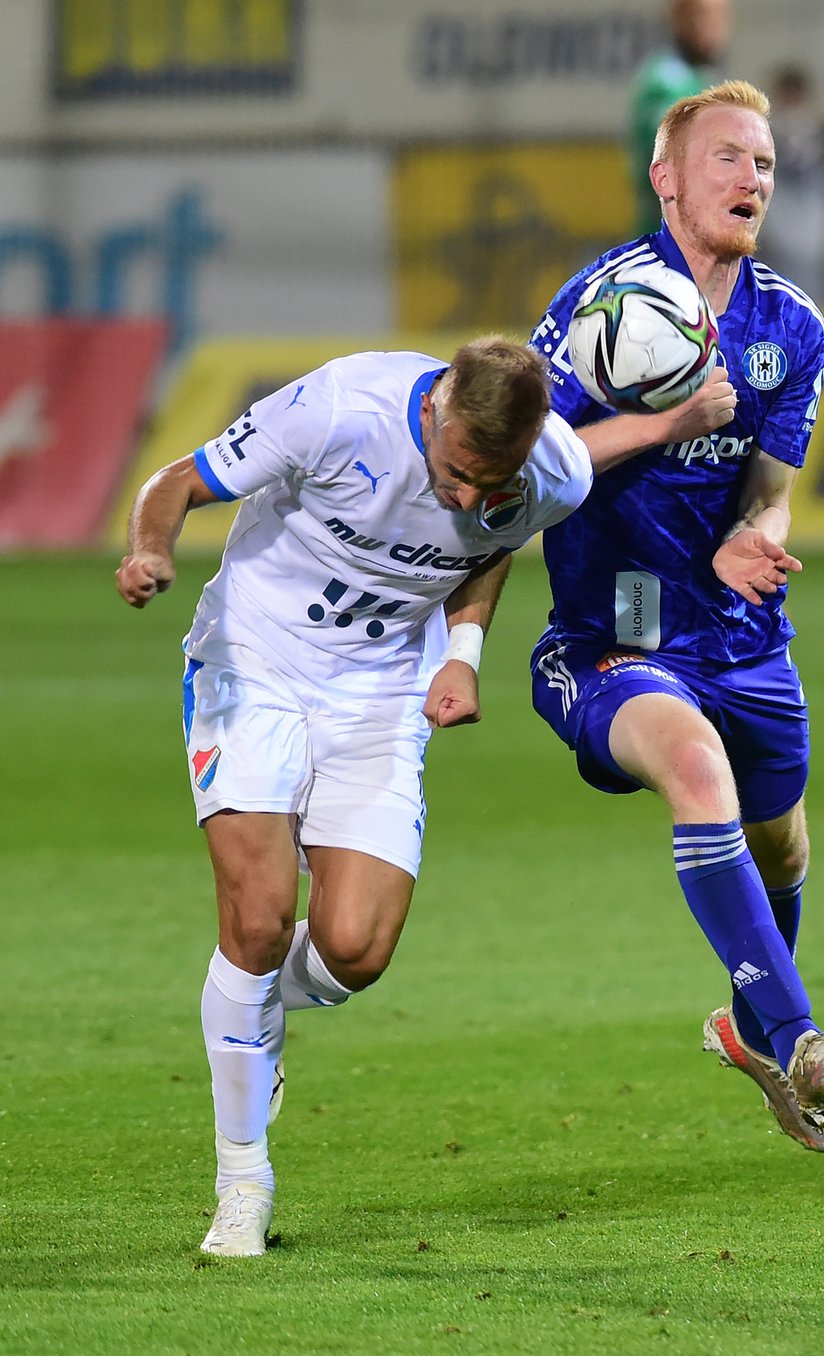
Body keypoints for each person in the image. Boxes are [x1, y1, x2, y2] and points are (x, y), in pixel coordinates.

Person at [115, 336, 721, 1257]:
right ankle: (244, 1182)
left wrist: (461, 655)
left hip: (381, 694)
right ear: (436, 409)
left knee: (355, 949)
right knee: (260, 915)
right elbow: (177, 480)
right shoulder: (340, 407)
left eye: (497, 479)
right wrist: (150, 552)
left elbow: (495, 540)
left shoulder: (542, 471)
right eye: (461, 473)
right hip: (254, 661)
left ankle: (249, 1013)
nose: (473, 497)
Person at [530, 81, 824, 1153]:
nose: (752, 179)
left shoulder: (790, 326)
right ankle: (799, 1033)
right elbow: (526, 471)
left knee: (781, 845)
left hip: (741, 636)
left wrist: (754, 529)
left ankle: (750, 1028)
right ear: (667, 177)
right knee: (696, 772)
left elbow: (773, 484)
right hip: (614, 639)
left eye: (766, 164)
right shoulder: (597, 314)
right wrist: (670, 421)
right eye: (727, 157)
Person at [627, 0, 732, 236]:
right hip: (669, 248)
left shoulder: (698, 80)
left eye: (722, 17)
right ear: (677, 18)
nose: (716, 28)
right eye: (704, 16)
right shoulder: (668, 83)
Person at [759, 66, 824, 304]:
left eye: (797, 101)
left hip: (816, 251)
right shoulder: (760, 144)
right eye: (787, 101)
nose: (792, 110)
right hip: (773, 249)